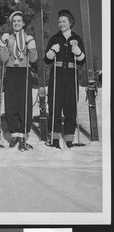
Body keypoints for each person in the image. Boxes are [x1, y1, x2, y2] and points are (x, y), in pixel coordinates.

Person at [44, 9, 85, 149]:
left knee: (70, 105)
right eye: (59, 22)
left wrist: (78, 52)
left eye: (64, 21)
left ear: (70, 22)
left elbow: (82, 60)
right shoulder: (55, 39)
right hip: (57, 73)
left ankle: (69, 138)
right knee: (55, 104)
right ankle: (54, 138)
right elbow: (46, 60)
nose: (61, 24)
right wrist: (52, 51)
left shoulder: (77, 38)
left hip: (71, 74)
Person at [0, 11, 38, 151]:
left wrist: (32, 46)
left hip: (24, 71)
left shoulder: (28, 38)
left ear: (23, 23)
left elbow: (33, 59)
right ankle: (14, 133)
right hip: (10, 71)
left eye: (19, 21)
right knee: (11, 102)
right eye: (14, 21)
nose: (16, 23)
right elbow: (3, 59)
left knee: (24, 102)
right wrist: (2, 44)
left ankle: (23, 134)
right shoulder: (7, 38)